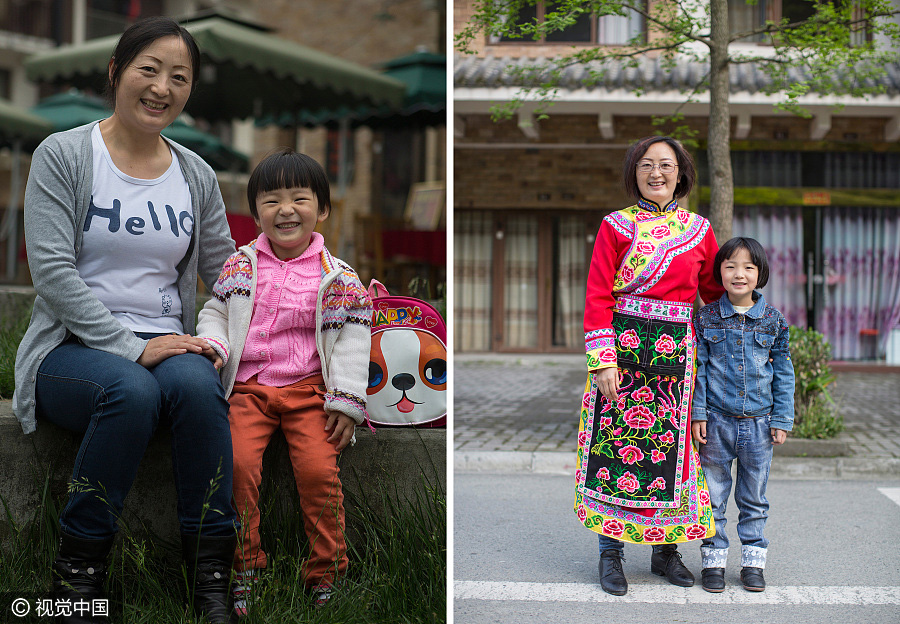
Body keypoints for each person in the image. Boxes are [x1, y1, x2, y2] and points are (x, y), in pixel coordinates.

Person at [13, 17, 237, 624]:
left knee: (197, 387)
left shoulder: (196, 174)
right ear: (116, 72)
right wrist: (131, 348)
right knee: (132, 390)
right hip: (73, 348)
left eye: (180, 77)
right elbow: (54, 274)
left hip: (168, 340)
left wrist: (318, 288)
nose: (163, 86)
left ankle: (215, 579)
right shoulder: (63, 154)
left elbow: (228, 277)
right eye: (149, 69)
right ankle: (78, 582)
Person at [196, 149, 372, 614]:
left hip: (311, 391)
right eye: (271, 201)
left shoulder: (338, 277)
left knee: (318, 471)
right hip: (250, 388)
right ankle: (246, 567)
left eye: (300, 198)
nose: (286, 210)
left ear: (323, 209)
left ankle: (327, 572)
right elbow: (214, 311)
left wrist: (347, 400)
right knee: (234, 466)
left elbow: (354, 338)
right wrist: (214, 345)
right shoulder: (241, 265)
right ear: (255, 213)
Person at [574, 136, 726, 596]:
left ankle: (666, 552)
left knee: (676, 456)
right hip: (622, 351)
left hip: (678, 356)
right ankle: (610, 553)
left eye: (666, 165)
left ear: (681, 173)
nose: (656, 173)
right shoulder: (615, 226)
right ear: (633, 173)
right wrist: (602, 360)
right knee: (614, 451)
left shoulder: (700, 231)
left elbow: (714, 294)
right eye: (646, 165)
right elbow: (598, 292)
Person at [691, 237, 795, 593]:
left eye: (748, 267)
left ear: (760, 273)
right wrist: (698, 414)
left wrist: (782, 419)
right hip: (716, 422)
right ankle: (714, 560)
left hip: (760, 426)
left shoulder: (773, 320)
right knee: (714, 496)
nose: (739, 274)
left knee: (753, 498)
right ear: (718, 272)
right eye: (730, 266)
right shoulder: (704, 319)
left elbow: (783, 372)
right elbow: (699, 369)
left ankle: (753, 562)